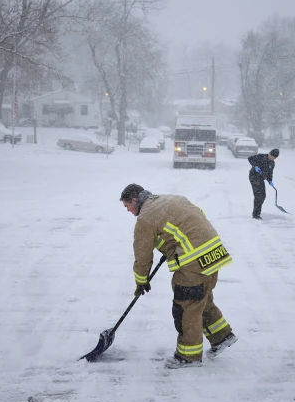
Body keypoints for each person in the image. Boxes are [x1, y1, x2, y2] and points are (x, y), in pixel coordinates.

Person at [119, 183, 237, 368]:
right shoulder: (172, 199)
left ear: (134, 200)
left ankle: (188, 357)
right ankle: (221, 336)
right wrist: (173, 245)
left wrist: (141, 280)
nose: (128, 211)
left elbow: (142, 255)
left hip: (193, 261)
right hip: (214, 254)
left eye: (127, 206)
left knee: (186, 307)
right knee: (201, 298)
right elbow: (195, 219)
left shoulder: (145, 218)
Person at [247, 148, 279, 219]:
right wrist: (255, 166)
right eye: (271, 155)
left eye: (273, 157)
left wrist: (270, 180)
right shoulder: (261, 156)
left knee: (263, 196)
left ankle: (256, 212)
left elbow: (270, 173)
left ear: (275, 158)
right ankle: (256, 214)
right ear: (269, 153)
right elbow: (250, 159)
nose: (271, 157)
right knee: (259, 196)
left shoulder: (272, 163)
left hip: (261, 179)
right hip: (254, 177)